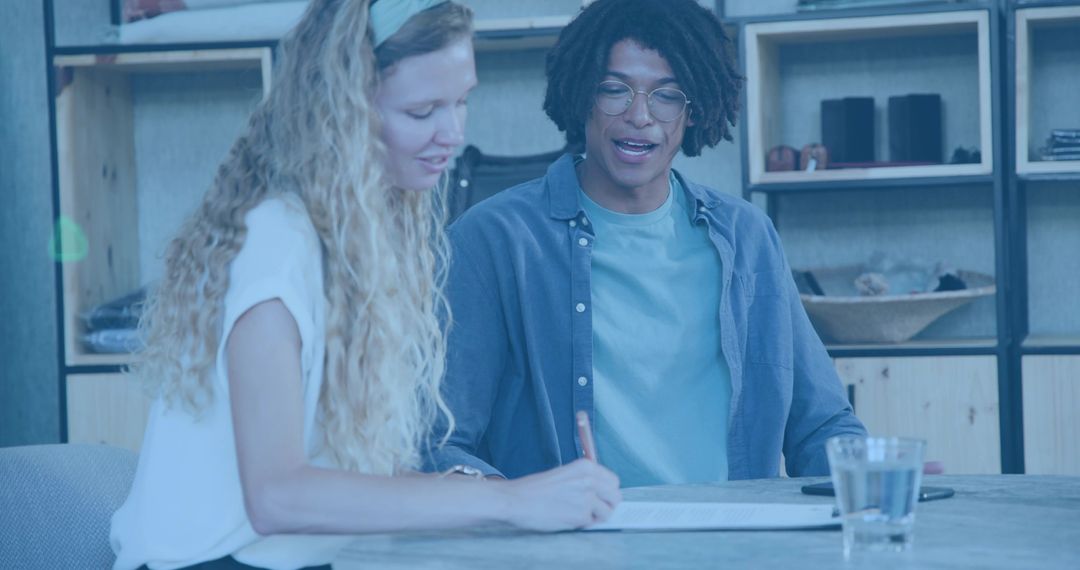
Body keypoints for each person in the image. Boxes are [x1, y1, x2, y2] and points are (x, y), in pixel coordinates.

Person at [109, 2, 620, 569]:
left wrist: (482, 494)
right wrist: (507, 499)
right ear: (344, 111)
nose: (452, 135)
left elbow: (342, 475)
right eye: (423, 110)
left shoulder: (364, 237)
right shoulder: (274, 244)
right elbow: (276, 497)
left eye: (461, 101)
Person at [429, 0, 867, 488]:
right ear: (582, 97)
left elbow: (823, 425)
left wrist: (873, 472)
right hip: (571, 549)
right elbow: (439, 439)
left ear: (694, 108)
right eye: (614, 90)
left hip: (733, 546)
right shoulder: (492, 240)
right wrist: (513, 502)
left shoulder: (747, 237)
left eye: (667, 95)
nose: (640, 116)